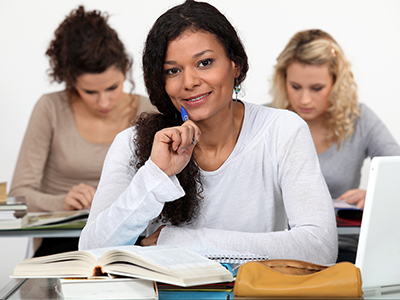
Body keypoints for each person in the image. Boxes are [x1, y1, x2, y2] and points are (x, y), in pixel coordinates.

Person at [79, 0, 337, 265]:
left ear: (235, 65)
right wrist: (156, 174)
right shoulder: (133, 144)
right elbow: (92, 252)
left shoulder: (282, 130)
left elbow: (319, 246)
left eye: (204, 63)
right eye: (173, 70)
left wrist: (179, 242)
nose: (190, 82)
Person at [9, 6, 157, 257]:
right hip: (63, 243)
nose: (104, 102)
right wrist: (62, 202)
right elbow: (18, 197)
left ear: (125, 71)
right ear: (71, 81)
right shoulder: (51, 108)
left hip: (131, 239)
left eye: (112, 87)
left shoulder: (148, 110)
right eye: (90, 92)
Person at [269, 29, 400, 262]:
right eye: (296, 86)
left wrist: (375, 195)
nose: (304, 100)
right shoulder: (267, 119)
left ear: (337, 82)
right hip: (278, 249)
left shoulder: (359, 119)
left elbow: (396, 171)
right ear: (283, 80)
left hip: (344, 250)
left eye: (316, 88)